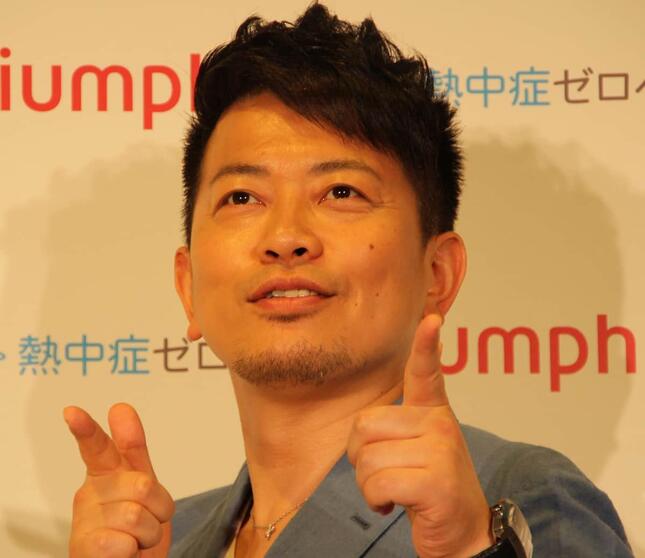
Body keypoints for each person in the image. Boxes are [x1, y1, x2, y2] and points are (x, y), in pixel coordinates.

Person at [63, 4, 633, 557]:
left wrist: (469, 551)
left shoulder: (517, 504)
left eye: (341, 192)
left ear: (437, 274)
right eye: (241, 197)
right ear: (188, 286)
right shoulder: (164, 539)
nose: (285, 237)